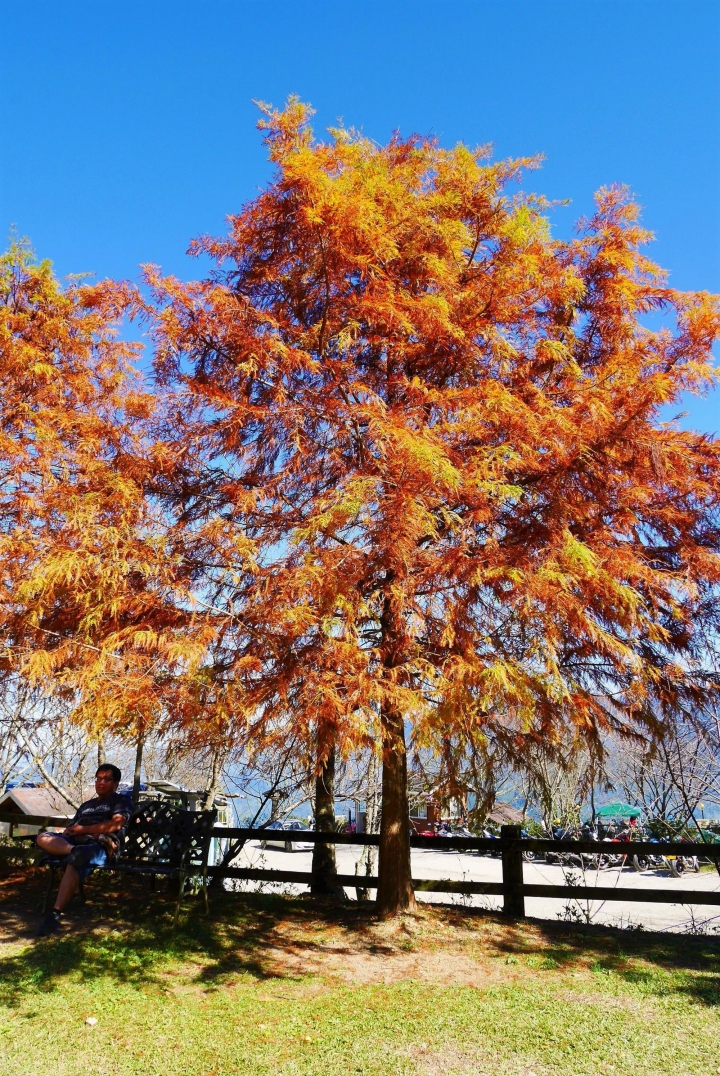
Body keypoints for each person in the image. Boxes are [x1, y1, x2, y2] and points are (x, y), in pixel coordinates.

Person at [35, 764, 132, 936]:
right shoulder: (87, 805)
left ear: (116, 784)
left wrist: (84, 830)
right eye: (98, 778)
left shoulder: (122, 801)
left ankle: (55, 915)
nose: (100, 782)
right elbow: (71, 828)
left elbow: (115, 824)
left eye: (106, 779)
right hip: (76, 843)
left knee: (77, 858)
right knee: (42, 837)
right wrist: (67, 832)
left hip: (102, 845)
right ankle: (72, 850)